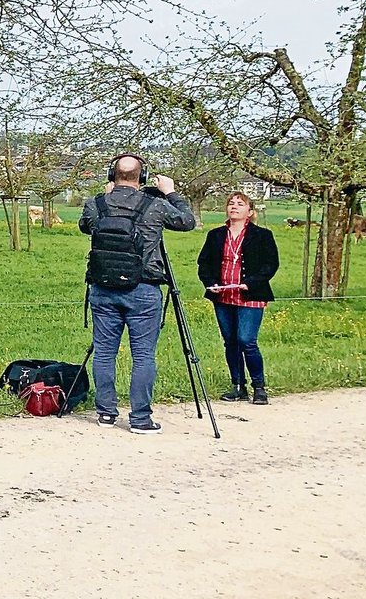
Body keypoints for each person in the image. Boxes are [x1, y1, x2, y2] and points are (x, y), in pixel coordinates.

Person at [79, 154, 197, 434]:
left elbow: (85, 226)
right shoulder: (155, 205)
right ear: (142, 177)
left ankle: (106, 413)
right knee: (143, 355)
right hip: (143, 288)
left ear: (112, 175)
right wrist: (171, 192)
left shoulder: (96, 204)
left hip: (103, 288)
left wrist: (107, 196)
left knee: (104, 353)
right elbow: (187, 221)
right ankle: (141, 419)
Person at [196, 191, 279, 404]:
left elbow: (271, 264)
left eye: (240, 204)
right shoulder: (215, 235)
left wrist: (251, 282)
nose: (234, 206)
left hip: (250, 295)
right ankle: (238, 386)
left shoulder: (262, 235)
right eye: (231, 203)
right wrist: (211, 283)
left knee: (246, 340)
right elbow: (204, 263)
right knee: (231, 342)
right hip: (223, 296)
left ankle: (259, 387)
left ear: (250, 212)